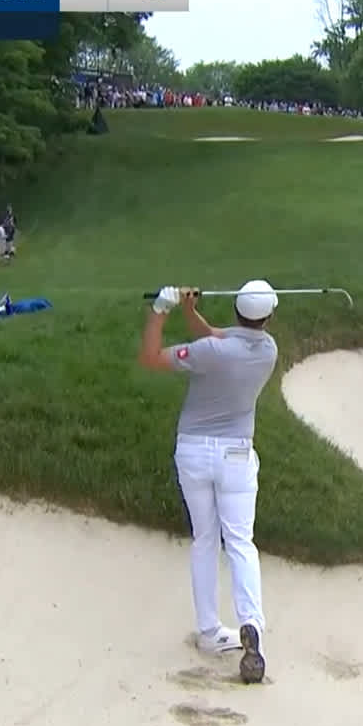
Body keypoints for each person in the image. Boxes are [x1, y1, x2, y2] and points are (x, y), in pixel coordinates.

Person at [137, 280, 280, 685]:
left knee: (205, 538)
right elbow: (224, 339)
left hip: (195, 453)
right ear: (267, 318)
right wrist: (190, 312)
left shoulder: (208, 353)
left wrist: (162, 310)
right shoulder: (267, 350)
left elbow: (151, 358)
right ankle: (251, 623)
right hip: (236, 455)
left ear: (235, 309)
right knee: (240, 542)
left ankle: (209, 631)